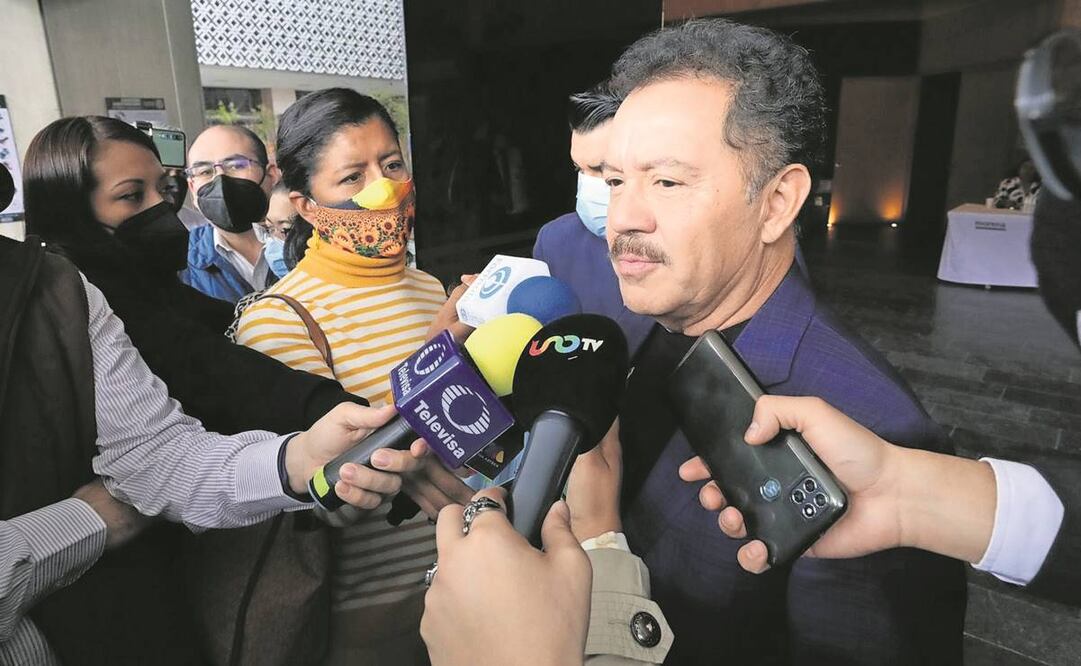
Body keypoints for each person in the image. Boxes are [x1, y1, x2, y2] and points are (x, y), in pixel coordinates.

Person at [547, 19, 964, 664]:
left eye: (667, 181)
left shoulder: (876, 435)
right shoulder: (643, 332)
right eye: (615, 181)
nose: (624, 218)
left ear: (775, 203)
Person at [20, 117, 461, 665]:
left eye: (166, 189)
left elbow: (168, 438)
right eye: (132, 197)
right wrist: (375, 419)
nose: (162, 209)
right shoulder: (86, 304)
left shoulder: (427, 285)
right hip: (113, 600)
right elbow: (231, 376)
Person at [234, 88, 463, 664]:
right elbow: (320, 498)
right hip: (374, 614)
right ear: (305, 204)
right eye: (352, 178)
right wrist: (439, 361)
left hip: (470, 576)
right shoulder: (280, 320)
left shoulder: (428, 288)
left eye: (391, 165)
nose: (383, 190)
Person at [533, 85, 653, 346]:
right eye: (579, 169)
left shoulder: (682, 236)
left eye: (602, 169)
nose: (588, 183)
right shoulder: (555, 242)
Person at [181, 124, 280, 303]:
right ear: (192, 188)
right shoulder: (179, 262)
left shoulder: (310, 243)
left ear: (271, 176)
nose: (220, 179)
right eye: (205, 171)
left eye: (236, 165)